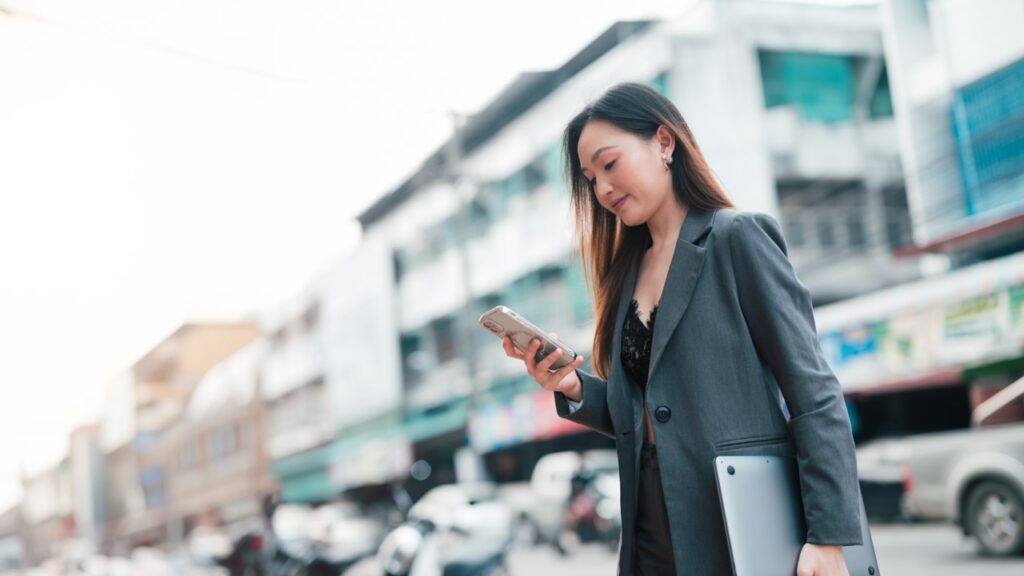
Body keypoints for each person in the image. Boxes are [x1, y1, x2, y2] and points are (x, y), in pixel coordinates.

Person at [500, 82, 862, 575]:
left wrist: (831, 538)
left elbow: (815, 393)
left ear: (664, 143)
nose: (602, 189)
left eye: (610, 164)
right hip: (651, 525)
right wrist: (572, 386)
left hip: (739, 525)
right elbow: (651, 413)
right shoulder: (624, 275)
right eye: (590, 179)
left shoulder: (737, 239)